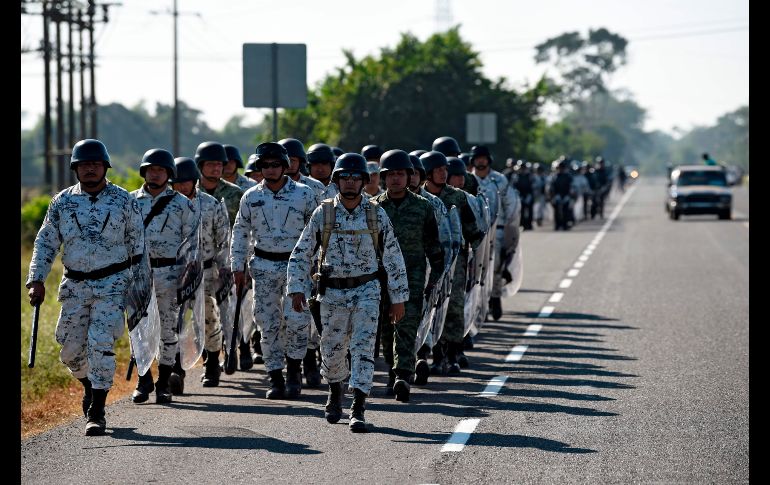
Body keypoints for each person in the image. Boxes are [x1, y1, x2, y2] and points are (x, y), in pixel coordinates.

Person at [26, 139, 145, 436]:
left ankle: (98, 411)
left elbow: (137, 244)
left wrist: (141, 287)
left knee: (100, 343)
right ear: (75, 169)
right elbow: (45, 241)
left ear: (105, 166)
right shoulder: (62, 202)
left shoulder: (123, 200)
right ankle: (90, 387)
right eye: (83, 165)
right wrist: (36, 279)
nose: (89, 169)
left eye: (95, 164)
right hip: (75, 284)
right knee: (69, 349)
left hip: (113, 284)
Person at [287, 153, 409, 432]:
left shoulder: (376, 213)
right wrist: (295, 288)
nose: (351, 183)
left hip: (367, 291)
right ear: (337, 181)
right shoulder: (325, 212)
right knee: (331, 349)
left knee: (364, 349)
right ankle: (335, 392)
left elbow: (393, 256)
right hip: (331, 294)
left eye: (356, 178)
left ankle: (359, 407)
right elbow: (302, 252)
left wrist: (398, 298)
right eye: (345, 177)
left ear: (365, 182)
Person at [231, 142, 320, 399]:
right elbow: (240, 233)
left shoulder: (304, 194)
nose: (270, 170)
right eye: (265, 166)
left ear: (285, 166)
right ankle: (275, 376)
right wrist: (238, 266)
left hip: (297, 267)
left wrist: (313, 263)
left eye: (275, 165)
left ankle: (294, 371)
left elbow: (316, 232)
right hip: (264, 266)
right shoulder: (251, 197)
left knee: (297, 321)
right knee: (267, 323)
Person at [372, 150, 444, 402]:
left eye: (400, 174)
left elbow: (434, 247)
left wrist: (435, 277)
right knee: (385, 328)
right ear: (383, 177)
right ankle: (393, 372)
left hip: (413, 275)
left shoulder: (423, 207)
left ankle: (403, 374)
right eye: (390, 174)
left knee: (406, 324)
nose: (395, 179)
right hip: (381, 277)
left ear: (409, 176)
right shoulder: (373, 208)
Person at [130, 148, 198, 405]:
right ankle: (143, 378)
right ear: (144, 172)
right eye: (150, 169)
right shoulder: (130, 202)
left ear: (169, 173)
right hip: (139, 274)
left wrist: (188, 276)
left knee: (168, 330)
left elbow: (192, 244)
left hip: (171, 274)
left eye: (160, 170)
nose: (155, 174)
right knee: (138, 328)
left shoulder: (183, 204)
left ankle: (163, 383)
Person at [170, 157, 231, 390]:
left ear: (195, 181)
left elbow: (223, 240)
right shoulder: (167, 204)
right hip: (173, 272)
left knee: (208, 321)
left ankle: (213, 361)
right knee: (171, 322)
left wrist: (225, 270)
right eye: (177, 182)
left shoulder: (212, 204)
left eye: (186, 182)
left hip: (205, 271)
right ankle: (175, 368)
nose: (181, 187)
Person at [421, 150, 484, 375]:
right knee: (431, 308)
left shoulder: (458, 197)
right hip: (428, 264)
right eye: (438, 170)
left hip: (456, 262)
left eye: (444, 170)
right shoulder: (420, 199)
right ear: (427, 173)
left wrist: (478, 259)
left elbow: (473, 231)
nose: (443, 173)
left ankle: (453, 353)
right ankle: (433, 355)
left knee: (454, 307)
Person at [193, 142, 249, 369]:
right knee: (202, 313)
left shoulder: (236, 194)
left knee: (231, 308)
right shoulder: (187, 192)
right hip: (198, 264)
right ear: (200, 166)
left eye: (219, 164)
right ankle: (209, 358)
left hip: (228, 261)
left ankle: (238, 346)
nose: (216, 169)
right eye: (211, 164)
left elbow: (246, 228)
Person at [469, 145, 520, 324]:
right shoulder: (468, 180)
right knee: (476, 272)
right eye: (477, 158)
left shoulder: (499, 180)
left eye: (484, 158)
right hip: (475, 233)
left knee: (496, 267)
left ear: (489, 160)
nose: (480, 161)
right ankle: (477, 306)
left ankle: (495, 297)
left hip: (497, 232)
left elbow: (511, 206)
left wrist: (510, 231)